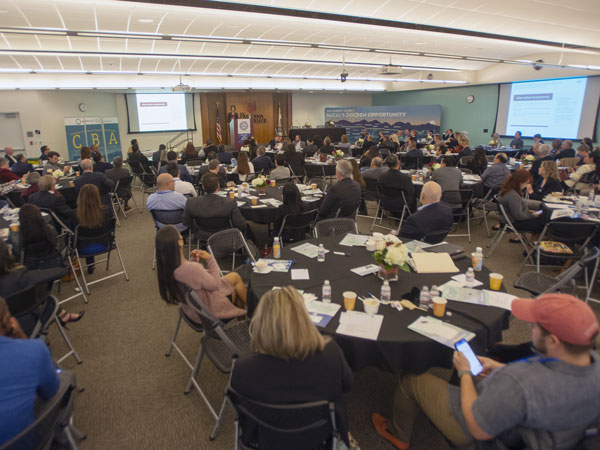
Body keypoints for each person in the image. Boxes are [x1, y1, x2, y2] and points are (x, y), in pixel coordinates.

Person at [373, 293, 600, 450]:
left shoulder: (520, 382)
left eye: (534, 326)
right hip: (549, 435)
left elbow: (478, 428)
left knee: (410, 377)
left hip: (480, 428)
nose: (530, 328)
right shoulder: (593, 364)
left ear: (553, 340)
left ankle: (398, 434)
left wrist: (463, 373)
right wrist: (501, 368)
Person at [231, 286, 353, 450]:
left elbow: (243, 414)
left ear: (260, 323)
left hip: (266, 440)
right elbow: (347, 385)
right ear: (304, 319)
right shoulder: (331, 353)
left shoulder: (243, 369)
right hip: (319, 438)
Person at [155, 225, 247, 322]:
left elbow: (189, 277)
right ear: (180, 242)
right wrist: (210, 259)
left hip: (193, 310)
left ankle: (243, 321)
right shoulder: (192, 268)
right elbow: (215, 285)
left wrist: (193, 261)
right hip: (209, 312)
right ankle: (254, 315)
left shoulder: (168, 268)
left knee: (234, 277)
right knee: (236, 286)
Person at [0, 297, 60, 445]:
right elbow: (51, 391)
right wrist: (22, 337)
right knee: (63, 377)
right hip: (25, 443)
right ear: (8, 321)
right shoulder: (33, 350)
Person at [183, 172, 247, 242]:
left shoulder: (192, 202)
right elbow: (241, 224)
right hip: (225, 236)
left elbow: (186, 222)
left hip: (202, 235)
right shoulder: (229, 203)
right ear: (218, 186)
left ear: (203, 187)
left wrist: (197, 230)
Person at [76, 184, 115, 274]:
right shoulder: (107, 211)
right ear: (98, 196)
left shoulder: (75, 215)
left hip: (82, 248)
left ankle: (90, 265)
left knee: (84, 236)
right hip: (105, 243)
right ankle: (91, 265)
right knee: (92, 234)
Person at [499, 169, 543, 234]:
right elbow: (519, 216)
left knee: (541, 221)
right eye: (526, 183)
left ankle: (534, 241)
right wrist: (533, 215)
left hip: (509, 220)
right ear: (520, 182)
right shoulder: (513, 196)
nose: (525, 186)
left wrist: (529, 212)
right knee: (544, 224)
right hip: (515, 223)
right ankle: (536, 242)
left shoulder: (509, 190)